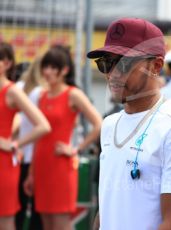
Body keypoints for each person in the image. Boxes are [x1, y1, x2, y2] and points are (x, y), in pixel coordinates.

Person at [87, 18, 171, 230]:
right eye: (105, 63)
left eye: (123, 63)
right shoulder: (109, 124)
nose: (112, 73)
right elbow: (108, 204)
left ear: (156, 66)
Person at [24, 46, 102, 230]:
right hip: (41, 165)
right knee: (45, 222)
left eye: (52, 67)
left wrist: (76, 148)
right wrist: (31, 174)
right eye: (45, 67)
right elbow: (39, 136)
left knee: (60, 223)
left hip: (61, 165)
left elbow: (99, 123)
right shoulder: (42, 95)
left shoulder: (72, 94)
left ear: (64, 70)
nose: (47, 72)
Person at [0, 42, 50, 230]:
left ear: (6, 63)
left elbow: (43, 125)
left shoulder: (12, 91)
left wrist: (14, 144)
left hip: (4, 164)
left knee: (5, 221)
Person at [15, 57, 45, 230]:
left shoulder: (19, 88)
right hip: (35, 155)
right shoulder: (41, 92)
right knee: (36, 211)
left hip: (19, 154)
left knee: (16, 210)